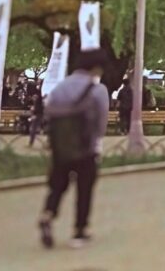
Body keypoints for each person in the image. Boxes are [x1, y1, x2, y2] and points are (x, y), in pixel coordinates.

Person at [38, 48, 110, 250]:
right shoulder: (97, 90)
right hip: (86, 147)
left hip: (61, 146)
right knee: (84, 188)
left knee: (58, 184)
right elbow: (100, 124)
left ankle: (48, 214)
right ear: (97, 67)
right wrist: (96, 143)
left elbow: (49, 114)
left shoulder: (60, 87)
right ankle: (80, 231)